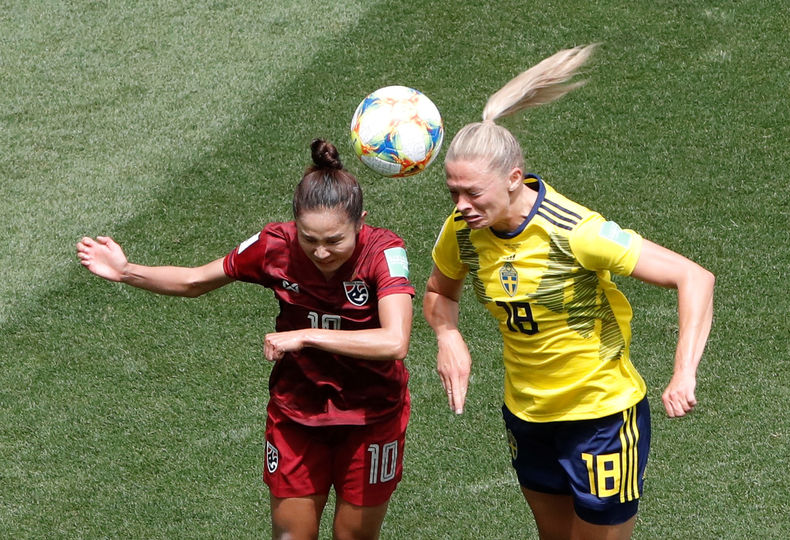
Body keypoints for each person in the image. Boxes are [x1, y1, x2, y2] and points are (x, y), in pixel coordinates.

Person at [423, 45, 715, 540]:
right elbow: (438, 292)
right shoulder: (463, 230)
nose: (462, 205)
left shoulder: (576, 231)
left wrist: (683, 372)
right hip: (527, 416)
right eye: (453, 192)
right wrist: (447, 333)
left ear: (515, 179)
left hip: (601, 416)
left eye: (473, 193)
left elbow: (695, 277)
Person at [77, 139, 415, 540]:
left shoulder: (384, 251)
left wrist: (304, 336)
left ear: (361, 222)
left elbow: (395, 341)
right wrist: (127, 271)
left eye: (335, 241)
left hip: (370, 418)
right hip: (297, 416)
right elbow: (195, 281)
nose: (321, 252)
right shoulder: (274, 245)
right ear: (294, 226)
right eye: (310, 240)